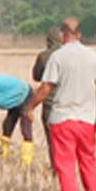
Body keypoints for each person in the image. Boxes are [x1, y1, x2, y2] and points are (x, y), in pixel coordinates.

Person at [25, 18, 96, 191]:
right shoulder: (92, 55)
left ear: (63, 35)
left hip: (62, 119)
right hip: (87, 119)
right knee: (88, 161)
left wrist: (30, 107)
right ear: (80, 34)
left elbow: (45, 88)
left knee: (66, 164)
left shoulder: (57, 57)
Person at [32, 27, 62, 170]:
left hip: (50, 105)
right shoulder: (70, 55)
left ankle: (56, 169)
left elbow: (36, 76)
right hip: (70, 104)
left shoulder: (44, 56)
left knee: (52, 141)